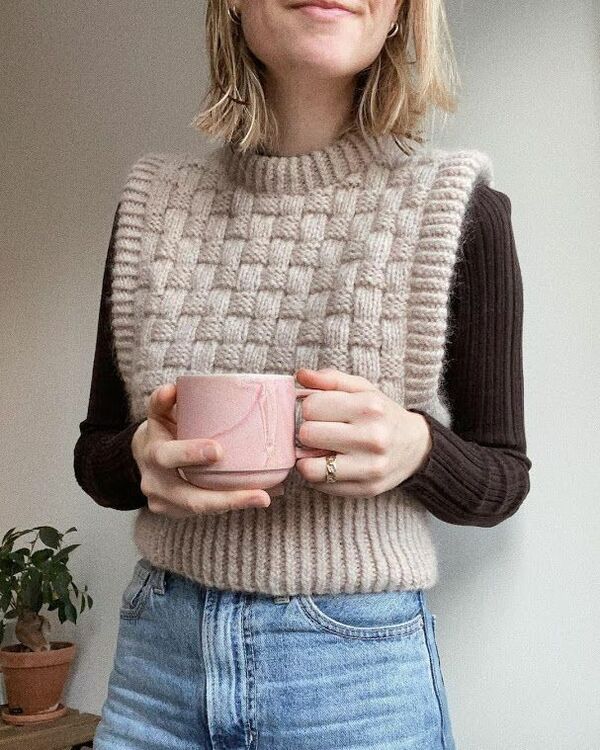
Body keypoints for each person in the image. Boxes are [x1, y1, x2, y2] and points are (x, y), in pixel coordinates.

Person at [74, 1, 532, 748]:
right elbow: (95, 452)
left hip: (356, 681)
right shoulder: (151, 205)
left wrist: (417, 448)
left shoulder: (459, 208)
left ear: (400, 14)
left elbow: (502, 478)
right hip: (158, 663)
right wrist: (138, 458)